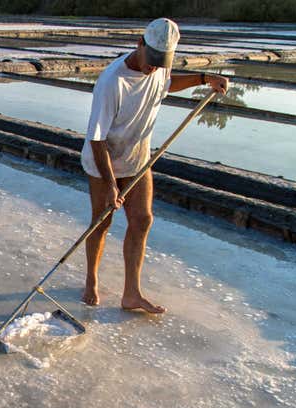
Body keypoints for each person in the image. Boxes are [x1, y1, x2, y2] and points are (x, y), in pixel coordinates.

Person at [80, 18, 228, 314]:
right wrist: (111, 184)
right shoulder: (113, 81)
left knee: (143, 219)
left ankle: (131, 293)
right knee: (102, 220)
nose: (154, 68)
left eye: (162, 62)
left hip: (137, 156)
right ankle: (91, 280)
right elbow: (96, 139)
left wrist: (203, 78)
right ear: (140, 44)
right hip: (103, 159)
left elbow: (167, 84)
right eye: (151, 61)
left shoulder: (160, 67)